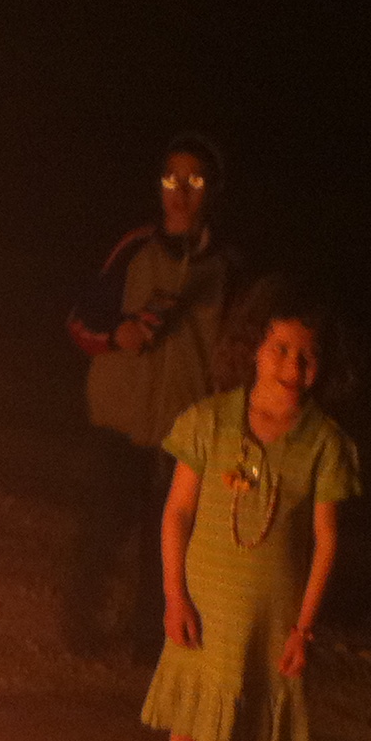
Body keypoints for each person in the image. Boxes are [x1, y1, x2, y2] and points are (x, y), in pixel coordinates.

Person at [131, 278, 359, 741]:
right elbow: (177, 513)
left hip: (271, 620)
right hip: (202, 610)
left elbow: (326, 541)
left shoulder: (325, 444)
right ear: (253, 347)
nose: (293, 365)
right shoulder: (208, 422)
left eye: (308, 355)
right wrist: (173, 596)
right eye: (280, 348)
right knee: (185, 730)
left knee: (257, 740)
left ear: (323, 366)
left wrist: (303, 628)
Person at [63, 135, 245, 649]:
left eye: (195, 181)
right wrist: (114, 335)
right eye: (171, 179)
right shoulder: (134, 248)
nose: (181, 192)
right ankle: (80, 626)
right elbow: (80, 320)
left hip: (183, 431)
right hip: (119, 419)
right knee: (102, 527)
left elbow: (237, 354)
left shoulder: (228, 267)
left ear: (214, 190)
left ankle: (151, 637)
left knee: (167, 539)